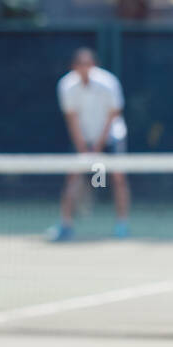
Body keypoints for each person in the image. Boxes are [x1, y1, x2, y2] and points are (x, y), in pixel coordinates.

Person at [48, 46, 130, 241]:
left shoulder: (108, 83)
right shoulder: (66, 85)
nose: (84, 68)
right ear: (74, 67)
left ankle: (122, 224)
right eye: (80, 64)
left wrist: (99, 145)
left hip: (111, 136)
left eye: (88, 64)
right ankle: (66, 224)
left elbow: (113, 115)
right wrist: (84, 148)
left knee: (118, 177)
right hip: (83, 139)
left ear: (94, 65)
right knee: (72, 176)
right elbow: (72, 118)